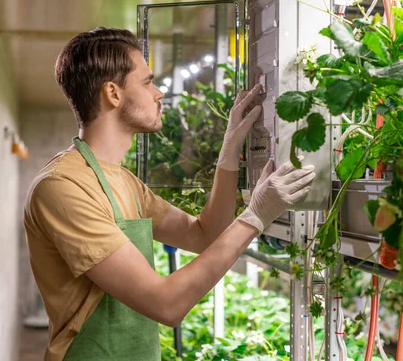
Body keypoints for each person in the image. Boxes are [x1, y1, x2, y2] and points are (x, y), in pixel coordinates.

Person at [23, 27, 316, 361]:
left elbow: (205, 235)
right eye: (148, 82)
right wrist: (255, 216)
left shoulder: (124, 180)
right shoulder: (64, 187)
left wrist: (230, 150)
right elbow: (165, 304)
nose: (159, 93)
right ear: (113, 94)